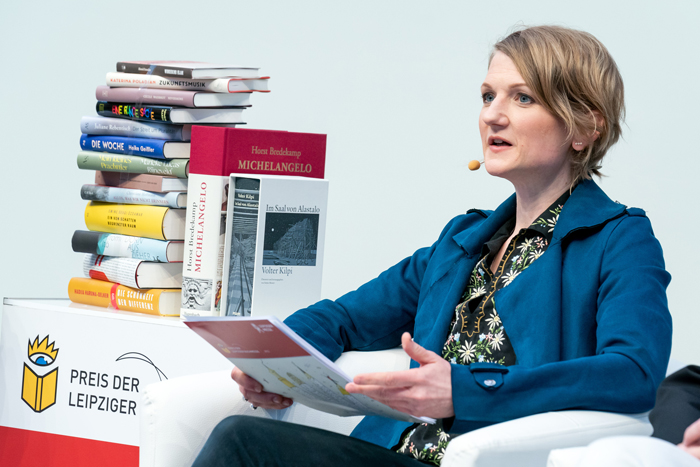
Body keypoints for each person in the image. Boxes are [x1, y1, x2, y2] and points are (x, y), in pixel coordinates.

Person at [192, 25, 672, 466]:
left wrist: (465, 390)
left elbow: (632, 373)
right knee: (242, 435)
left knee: (241, 441)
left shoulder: (619, 239)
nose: (492, 115)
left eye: (523, 98)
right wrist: (274, 364)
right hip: (393, 452)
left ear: (585, 127)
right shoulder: (462, 242)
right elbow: (343, 319)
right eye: (488, 96)